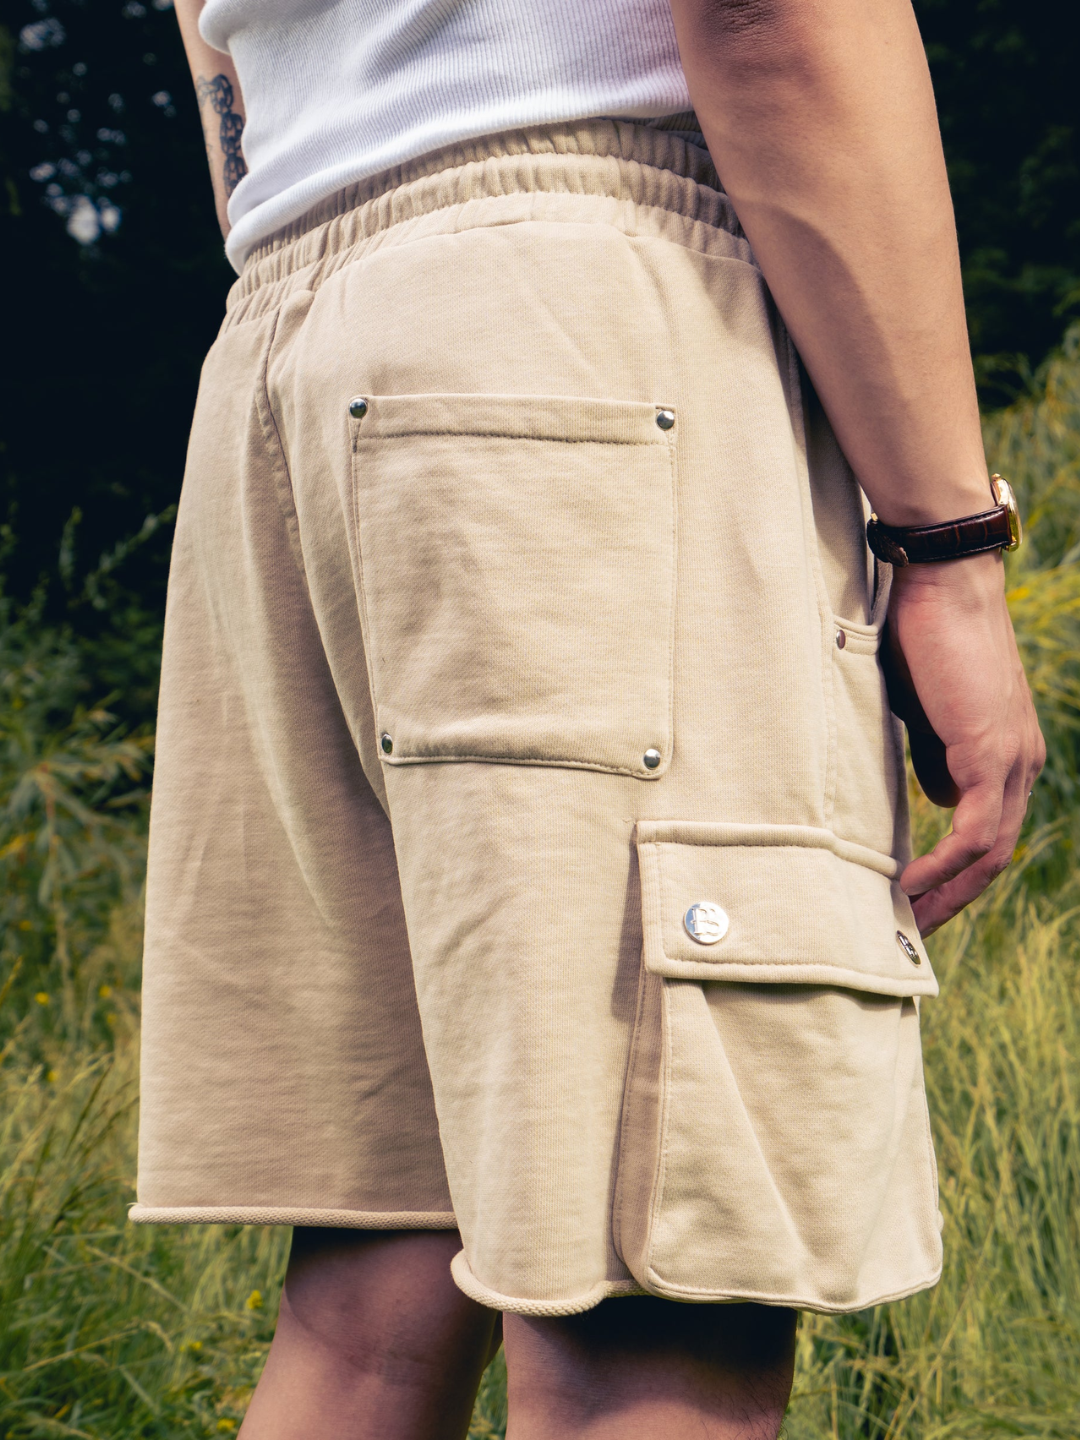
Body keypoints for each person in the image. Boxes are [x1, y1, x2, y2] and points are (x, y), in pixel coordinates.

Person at [132, 2, 1045, 1436]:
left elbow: (220, 61)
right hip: (586, 324)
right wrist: (947, 546)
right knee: (654, 1328)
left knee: (374, 1303)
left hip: (288, 339)